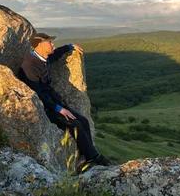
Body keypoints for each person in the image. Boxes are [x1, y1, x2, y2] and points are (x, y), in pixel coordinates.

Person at [18, 32, 111, 171]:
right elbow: (37, 95)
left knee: (83, 121)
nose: (53, 45)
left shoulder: (42, 58)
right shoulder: (29, 67)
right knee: (75, 125)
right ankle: (94, 158)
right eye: (50, 43)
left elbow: (55, 55)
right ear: (40, 45)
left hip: (53, 102)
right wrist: (58, 109)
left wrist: (70, 46)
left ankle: (89, 154)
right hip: (45, 108)